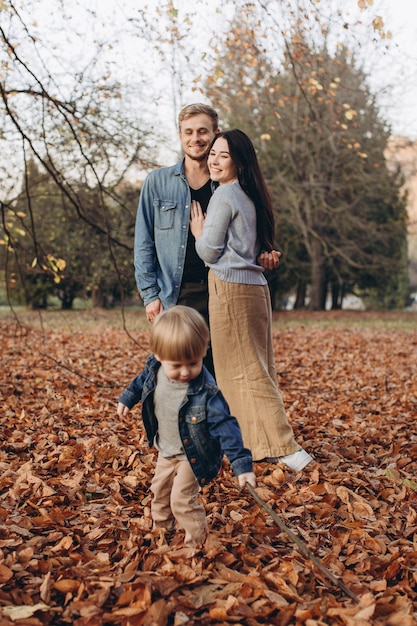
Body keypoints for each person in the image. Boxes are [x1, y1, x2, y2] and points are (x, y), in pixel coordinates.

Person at [189, 129, 313, 472]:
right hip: (254, 289)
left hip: (231, 289)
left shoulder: (225, 196)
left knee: (247, 373)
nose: (214, 160)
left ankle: (287, 449)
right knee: (253, 369)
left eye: (223, 155)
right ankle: (258, 445)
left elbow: (210, 252)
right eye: (213, 153)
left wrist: (199, 233)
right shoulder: (248, 195)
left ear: (239, 163)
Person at [134, 102, 280, 376]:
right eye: (188, 132)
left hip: (222, 290)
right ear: (180, 135)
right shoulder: (157, 182)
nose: (195, 138)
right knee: (170, 373)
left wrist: (266, 251)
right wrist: (149, 295)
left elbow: (250, 234)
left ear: (216, 133)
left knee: (221, 375)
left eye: (202, 131)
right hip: (176, 294)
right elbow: (144, 242)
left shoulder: (230, 184)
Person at [117, 305, 256, 549]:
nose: (184, 372)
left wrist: (241, 464)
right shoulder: (155, 367)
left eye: (193, 363)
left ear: (203, 352)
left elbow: (226, 426)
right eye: (176, 365)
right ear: (159, 357)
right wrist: (128, 398)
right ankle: (162, 530)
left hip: (194, 456)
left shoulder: (207, 393)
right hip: (166, 449)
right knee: (159, 492)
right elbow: (141, 382)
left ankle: (196, 543)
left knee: (180, 499)